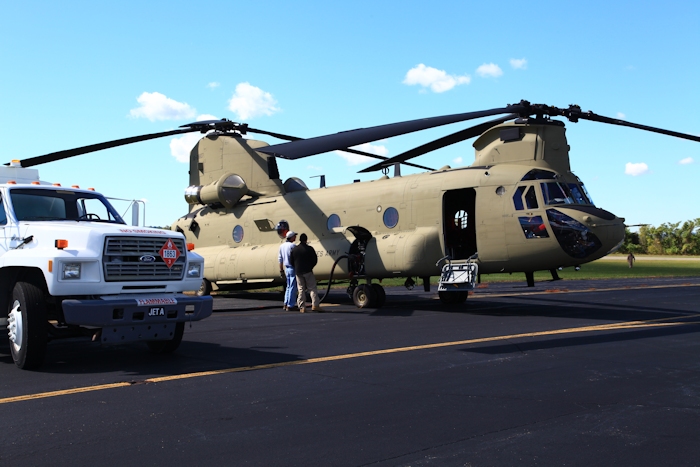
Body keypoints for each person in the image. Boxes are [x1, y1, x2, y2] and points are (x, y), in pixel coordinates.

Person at [290, 233, 321, 312]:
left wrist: (296, 268)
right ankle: (315, 305)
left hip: (298, 272)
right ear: (306, 240)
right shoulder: (309, 249)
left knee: (301, 289)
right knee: (312, 288)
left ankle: (302, 307)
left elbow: (291, 261)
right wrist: (310, 267)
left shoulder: (295, 250)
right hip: (308, 271)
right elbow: (314, 260)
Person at [278, 231, 298, 311]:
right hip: (293, 267)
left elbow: (280, 259)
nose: (295, 237)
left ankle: (285, 303)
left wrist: (281, 270)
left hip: (286, 268)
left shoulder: (282, 246)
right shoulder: (293, 246)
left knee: (288, 287)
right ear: (292, 237)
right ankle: (290, 305)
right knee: (293, 287)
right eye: (294, 236)